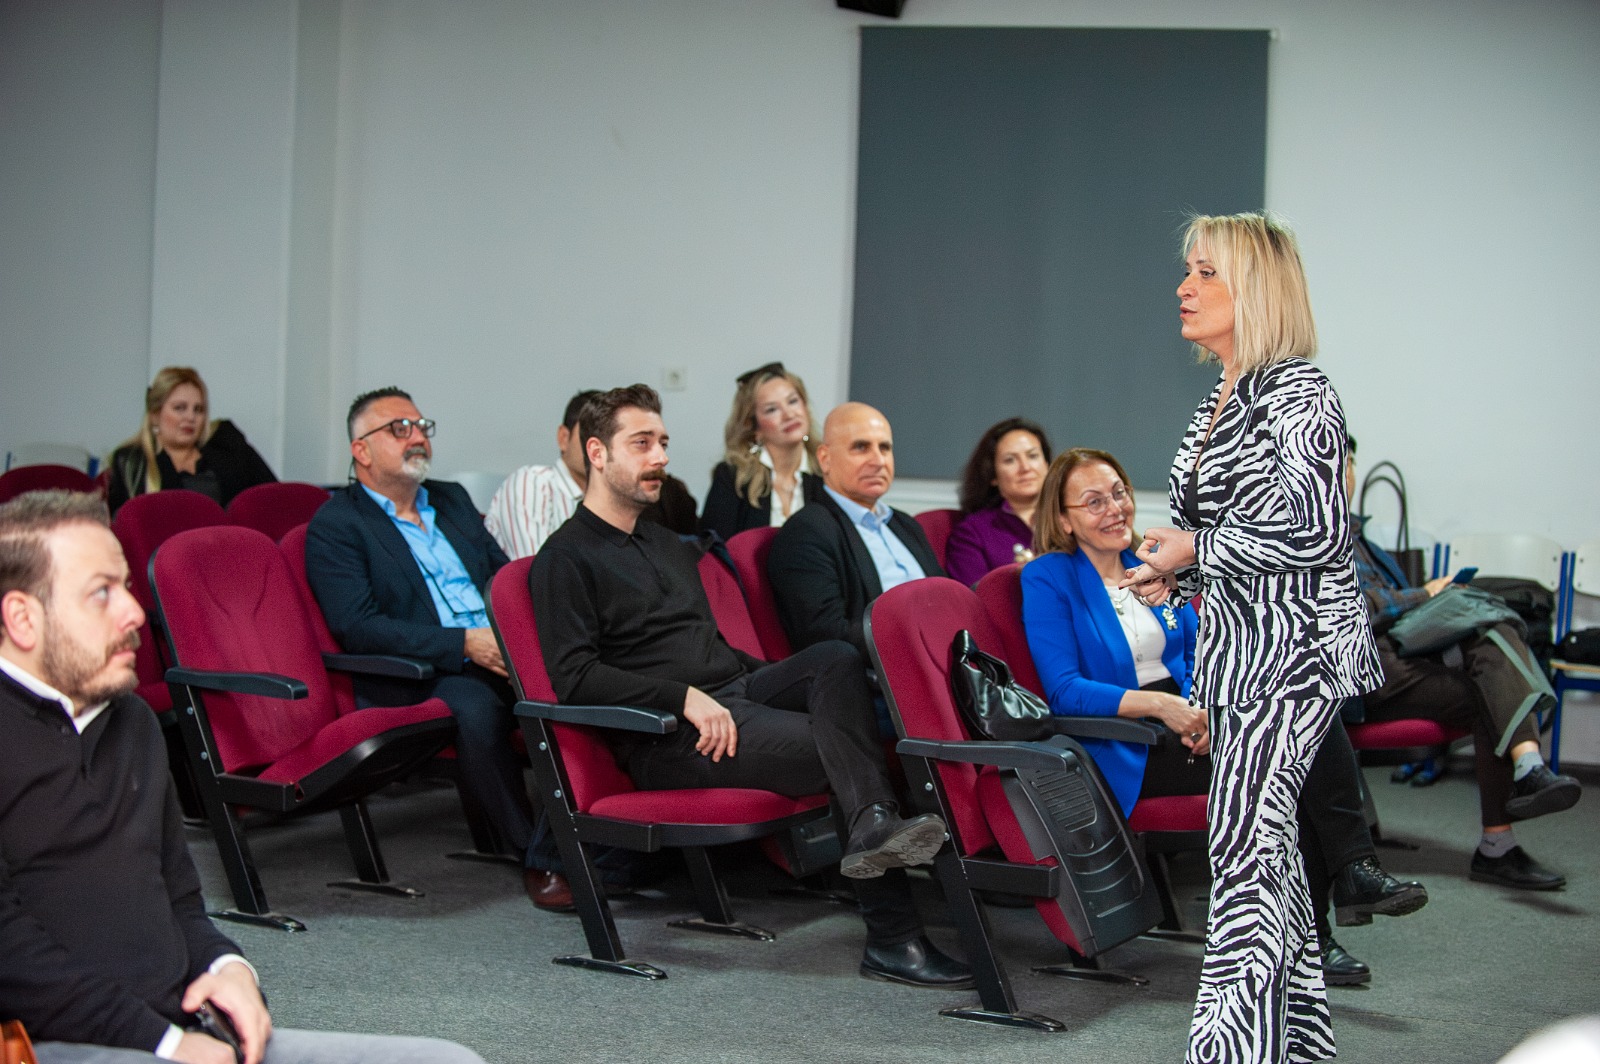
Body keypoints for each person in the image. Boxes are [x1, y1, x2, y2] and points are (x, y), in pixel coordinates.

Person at [0, 490, 484, 1064]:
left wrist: (226, 966)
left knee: (449, 1061)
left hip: (180, 1026)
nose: (133, 612)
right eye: (100, 593)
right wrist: (168, 1045)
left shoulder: (130, 719)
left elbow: (177, 894)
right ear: (23, 618)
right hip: (52, 1044)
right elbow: (13, 958)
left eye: (126, 586)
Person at [529, 385, 971, 989]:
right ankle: (893, 936)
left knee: (836, 656)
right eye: (642, 444)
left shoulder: (664, 542)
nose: (659, 456)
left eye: (662, 442)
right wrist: (681, 698)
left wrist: (757, 676)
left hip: (732, 692)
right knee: (844, 750)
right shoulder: (565, 557)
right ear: (598, 453)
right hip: (673, 738)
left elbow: (700, 644)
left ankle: (872, 824)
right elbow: (573, 676)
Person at [1122, 213, 1383, 1064]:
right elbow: (1240, 531)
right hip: (1240, 648)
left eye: (1205, 273)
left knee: (1243, 848)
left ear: (1255, 289)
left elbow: (1312, 531)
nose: (1182, 288)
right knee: (1262, 852)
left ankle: (1226, 1052)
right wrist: (1184, 570)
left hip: (1292, 656)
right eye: (1186, 271)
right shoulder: (1225, 395)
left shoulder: (1299, 390)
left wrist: (1203, 549)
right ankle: (1298, 1048)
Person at [1023, 448, 1425, 988]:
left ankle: (1334, 899)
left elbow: (1193, 655)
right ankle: (1327, 916)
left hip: (1191, 719)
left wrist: (1205, 708)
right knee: (1289, 754)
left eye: (1118, 492)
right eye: (1093, 501)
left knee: (1306, 715)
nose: (1114, 508)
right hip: (1124, 741)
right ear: (1064, 517)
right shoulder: (1049, 577)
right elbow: (1065, 691)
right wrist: (1166, 708)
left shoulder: (1153, 565)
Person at [303, 388, 568, 913]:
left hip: (498, 646)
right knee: (477, 707)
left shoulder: (450, 499)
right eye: (399, 428)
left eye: (421, 424)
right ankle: (539, 855)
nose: (418, 436)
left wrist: (517, 636)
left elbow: (499, 576)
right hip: (421, 668)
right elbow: (360, 627)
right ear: (361, 450)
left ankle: (607, 833)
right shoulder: (337, 525)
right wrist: (465, 644)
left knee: (584, 681)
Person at [1347, 437, 1579, 890]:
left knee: (1492, 629)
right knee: (1492, 686)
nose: (1346, 473)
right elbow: (1356, 609)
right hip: (1362, 676)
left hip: (1400, 659)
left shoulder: (1362, 537)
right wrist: (1425, 595)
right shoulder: (1313, 538)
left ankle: (1519, 795)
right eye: (1337, 463)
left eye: (1351, 462)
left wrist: (1435, 603)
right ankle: (1519, 795)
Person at [768, 402, 943, 661]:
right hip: (884, 679)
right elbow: (825, 636)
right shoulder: (806, 532)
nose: (878, 461)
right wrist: (917, 642)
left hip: (944, 663)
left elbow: (944, 598)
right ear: (825, 459)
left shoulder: (905, 525)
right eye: (861, 447)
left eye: (885, 448)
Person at [485, 388, 702, 558]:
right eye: (589, 435)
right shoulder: (533, 482)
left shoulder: (623, 493)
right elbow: (537, 568)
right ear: (564, 437)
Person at [107, 366, 276, 513]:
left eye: (198, 409)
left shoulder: (227, 447)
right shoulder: (132, 462)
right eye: (180, 408)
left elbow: (274, 497)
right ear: (155, 415)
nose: (190, 417)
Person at [699, 362, 825, 542]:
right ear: (754, 428)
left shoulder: (827, 472)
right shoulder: (732, 477)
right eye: (772, 409)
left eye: (793, 401)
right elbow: (713, 550)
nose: (789, 415)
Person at [944, 416, 1052, 585]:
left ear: (1047, 464)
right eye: (1010, 460)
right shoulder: (972, 533)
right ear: (993, 475)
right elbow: (972, 600)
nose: (1025, 468)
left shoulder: (1071, 518)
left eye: (1033, 456)